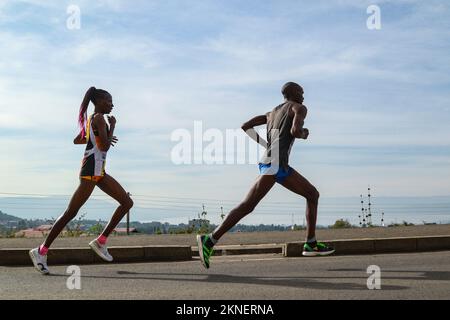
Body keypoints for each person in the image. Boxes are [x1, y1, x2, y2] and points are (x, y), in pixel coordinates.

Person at [197, 82, 334, 269]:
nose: (304, 96)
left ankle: (310, 243)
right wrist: (303, 133)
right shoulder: (299, 108)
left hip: (272, 162)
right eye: (301, 92)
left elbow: (245, 126)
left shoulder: (271, 114)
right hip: (275, 164)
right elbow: (295, 130)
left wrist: (265, 144)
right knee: (248, 206)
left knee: (310, 194)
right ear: (293, 93)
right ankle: (210, 239)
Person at [29, 87, 133, 275]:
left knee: (127, 202)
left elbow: (79, 140)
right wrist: (112, 129)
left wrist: (98, 135)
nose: (112, 104)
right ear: (100, 101)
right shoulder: (100, 118)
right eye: (109, 101)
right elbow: (105, 147)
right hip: (90, 172)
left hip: (98, 171)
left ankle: (100, 241)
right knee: (70, 212)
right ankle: (41, 251)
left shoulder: (93, 119)